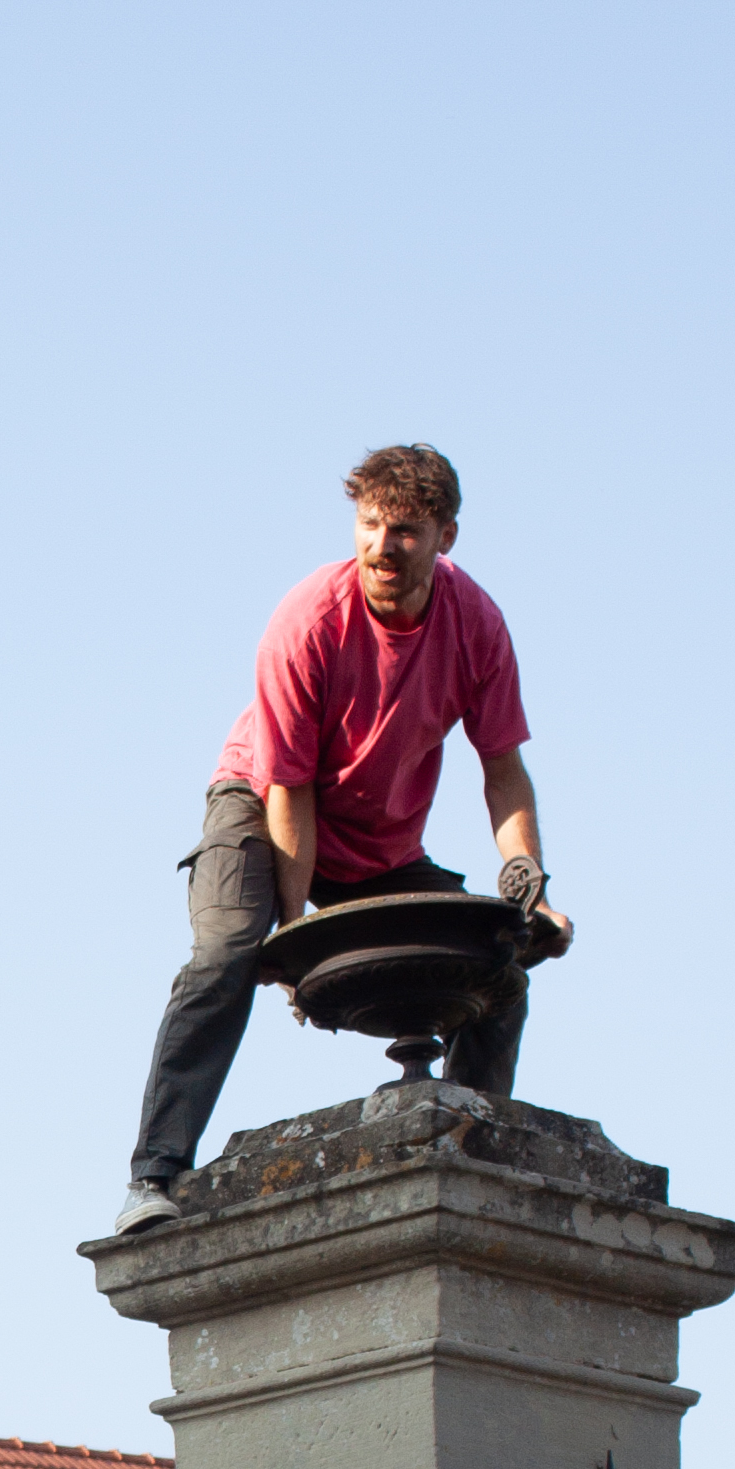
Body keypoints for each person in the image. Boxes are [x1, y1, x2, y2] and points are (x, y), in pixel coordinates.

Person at [110, 442, 565, 1230]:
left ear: (445, 537)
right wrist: (295, 941)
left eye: (407, 531)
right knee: (225, 955)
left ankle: (469, 1150)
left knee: (495, 964)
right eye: (370, 525)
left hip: (379, 843)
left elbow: (502, 768)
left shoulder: (476, 624)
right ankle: (153, 1178)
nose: (383, 547)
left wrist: (527, 880)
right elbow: (290, 788)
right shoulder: (307, 621)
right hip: (263, 808)